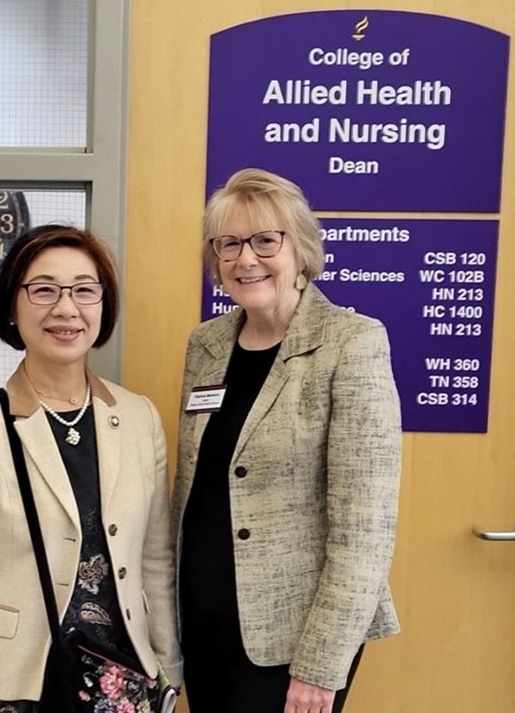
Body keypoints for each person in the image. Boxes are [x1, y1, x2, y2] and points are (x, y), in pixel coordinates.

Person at [0, 224, 183, 713]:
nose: (66, 309)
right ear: (13, 309)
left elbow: (155, 560)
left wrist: (166, 668)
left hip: (122, 682)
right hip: (16, 685)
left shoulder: (139, 417)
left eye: (85, 290)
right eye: (43, 290)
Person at [173, 168, 402, 713]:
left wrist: (321, 665)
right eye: (229, 243)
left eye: (265, 240)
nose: (245, 258)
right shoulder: (206, 345)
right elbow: (193, 491)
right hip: (203, 628)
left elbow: (365, 531)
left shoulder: (352, 343)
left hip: (291, 643)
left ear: (300, 249)